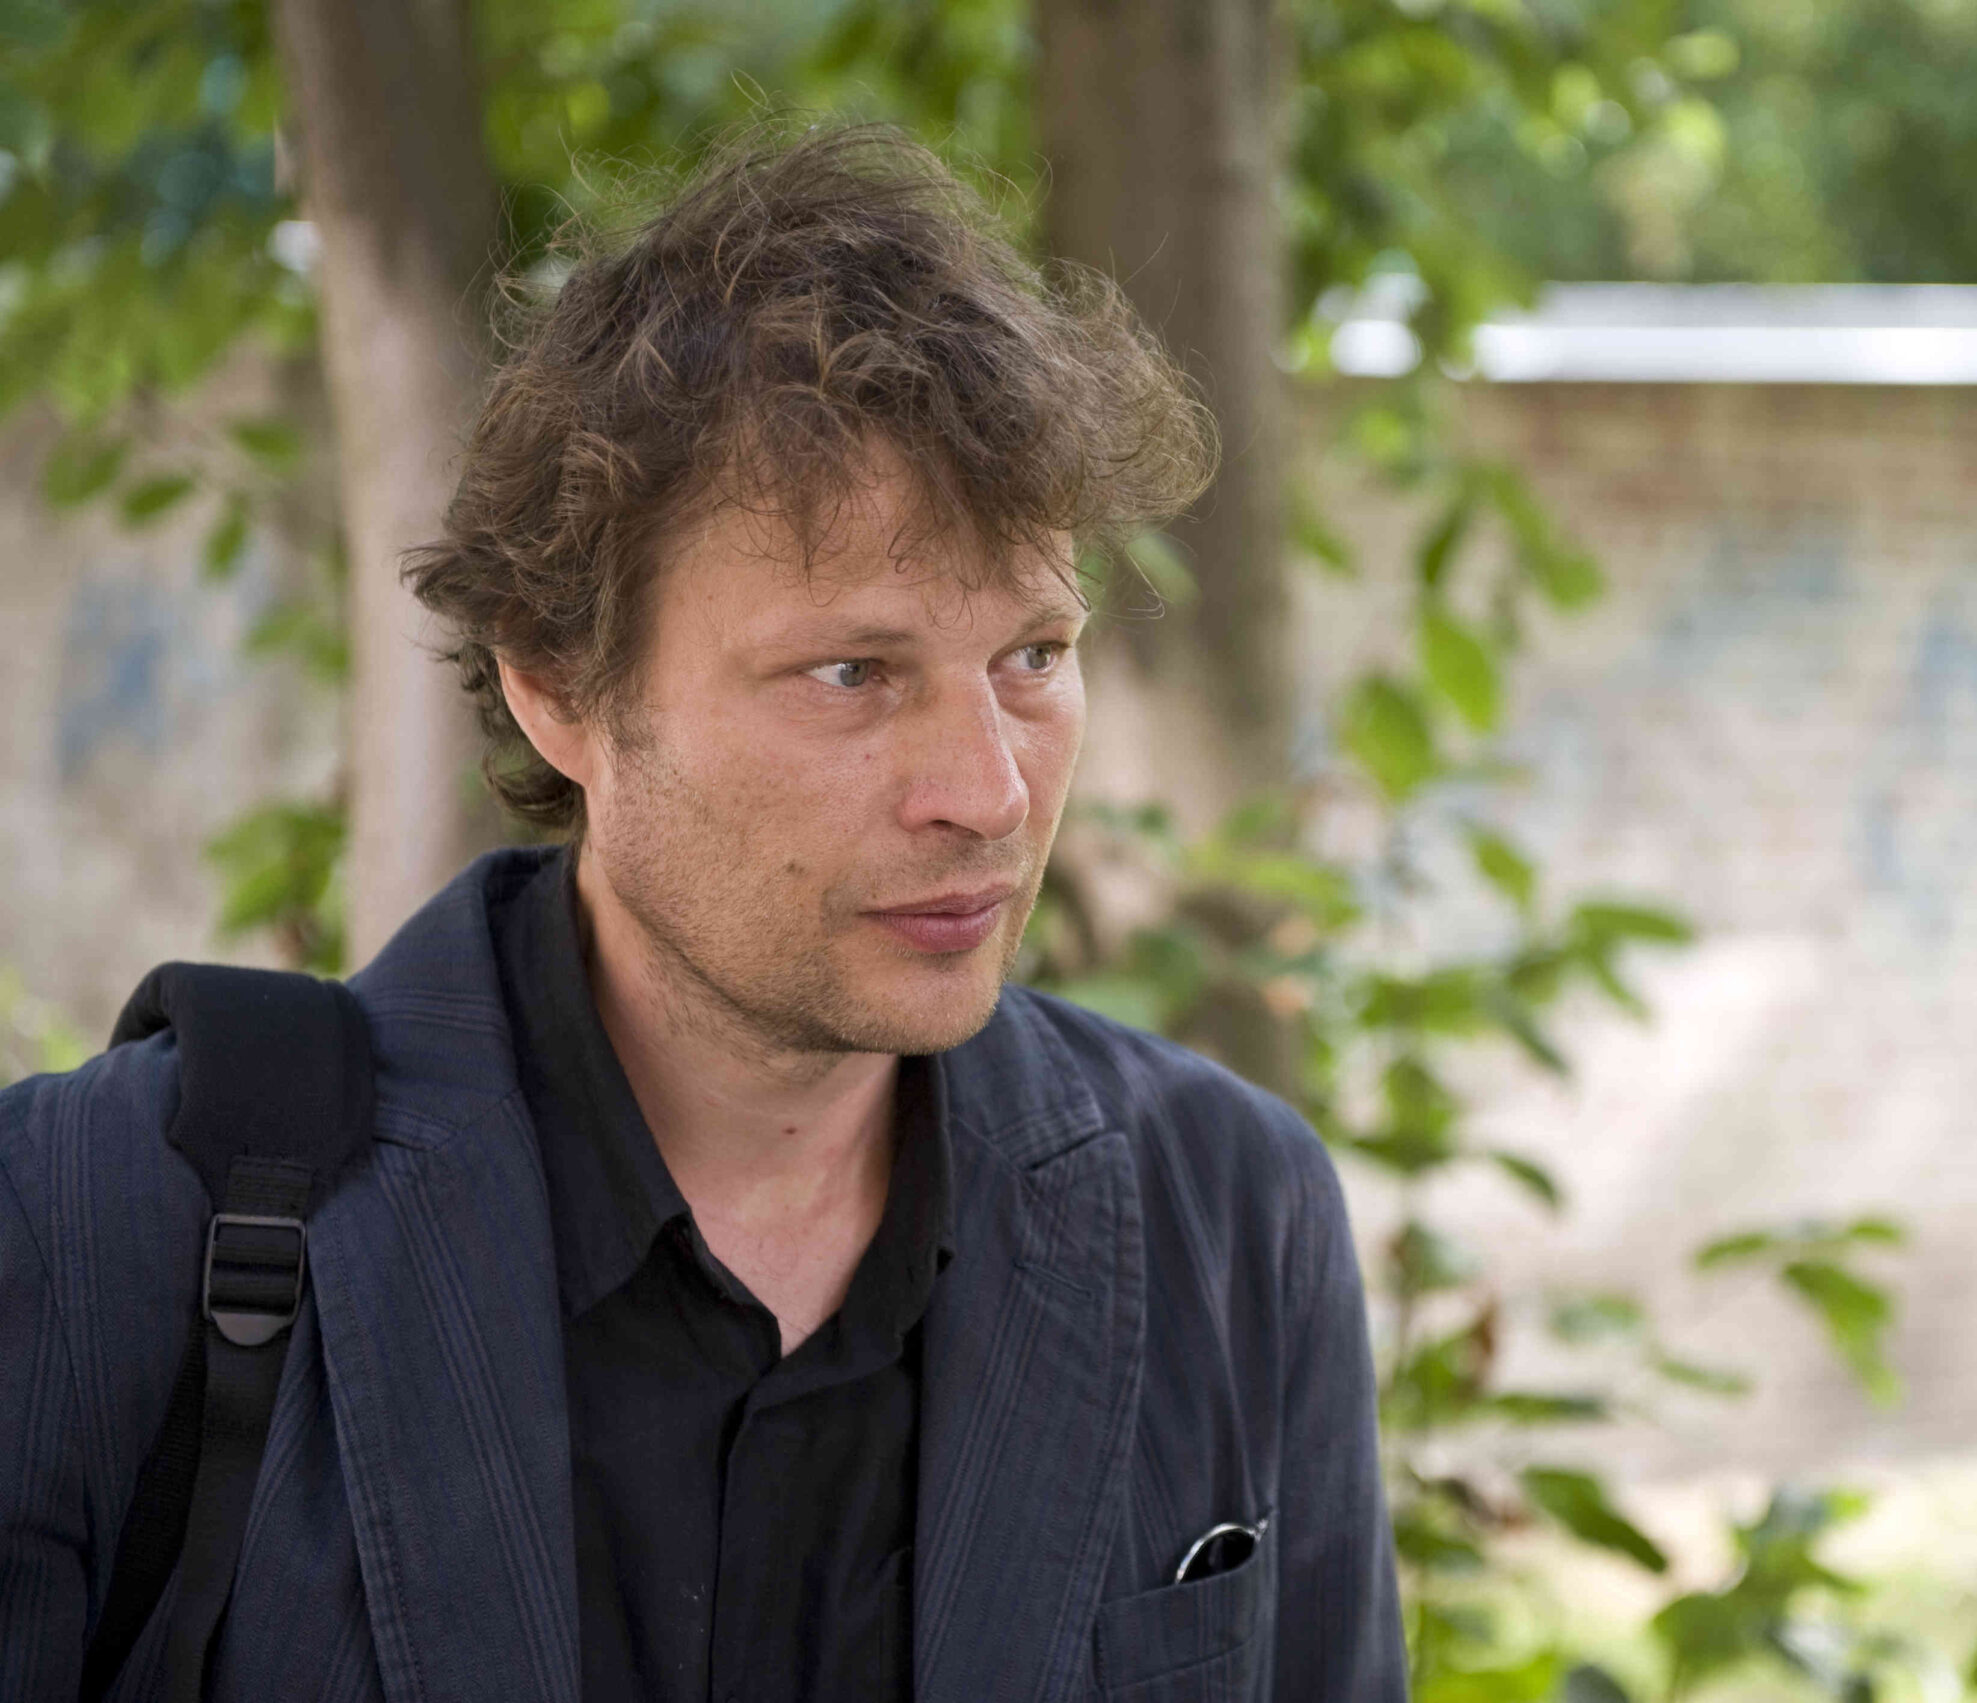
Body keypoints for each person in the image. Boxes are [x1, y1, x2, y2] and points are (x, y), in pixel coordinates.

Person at [0, 125, 1404, 1703]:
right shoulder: (95, 1213)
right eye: (852, 673)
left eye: (1033, 656)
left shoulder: (1228, 1210)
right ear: (559, 688)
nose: (990, 791)